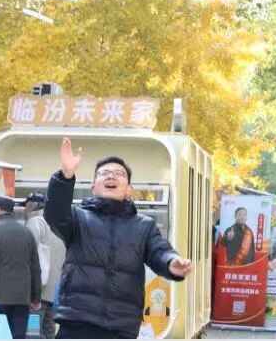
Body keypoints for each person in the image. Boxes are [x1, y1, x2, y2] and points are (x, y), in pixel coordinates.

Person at [44, 137, 191, 339]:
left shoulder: (144, 225)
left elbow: (159, 251)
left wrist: (171, 262)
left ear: (129, 190)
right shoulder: (77, 218)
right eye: (104, 173)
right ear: (94, 187)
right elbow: (55, 213)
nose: (111, 176)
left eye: (118, 174)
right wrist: (65, 176)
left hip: (122, 327)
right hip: (77, 323)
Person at [0, 195, 41, 339]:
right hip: (22, 300)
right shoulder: (26, 232)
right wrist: (36, 298)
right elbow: (35, 269)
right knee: (18, 336)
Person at [25, 192, 66, 339]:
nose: (24, 210)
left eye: (26, 206)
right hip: (54, 293)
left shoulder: (35, 222)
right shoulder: (58, 224)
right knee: (49, 330)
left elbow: (29, 254)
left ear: (32, 206)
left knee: (33, 333)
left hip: (37, 293)